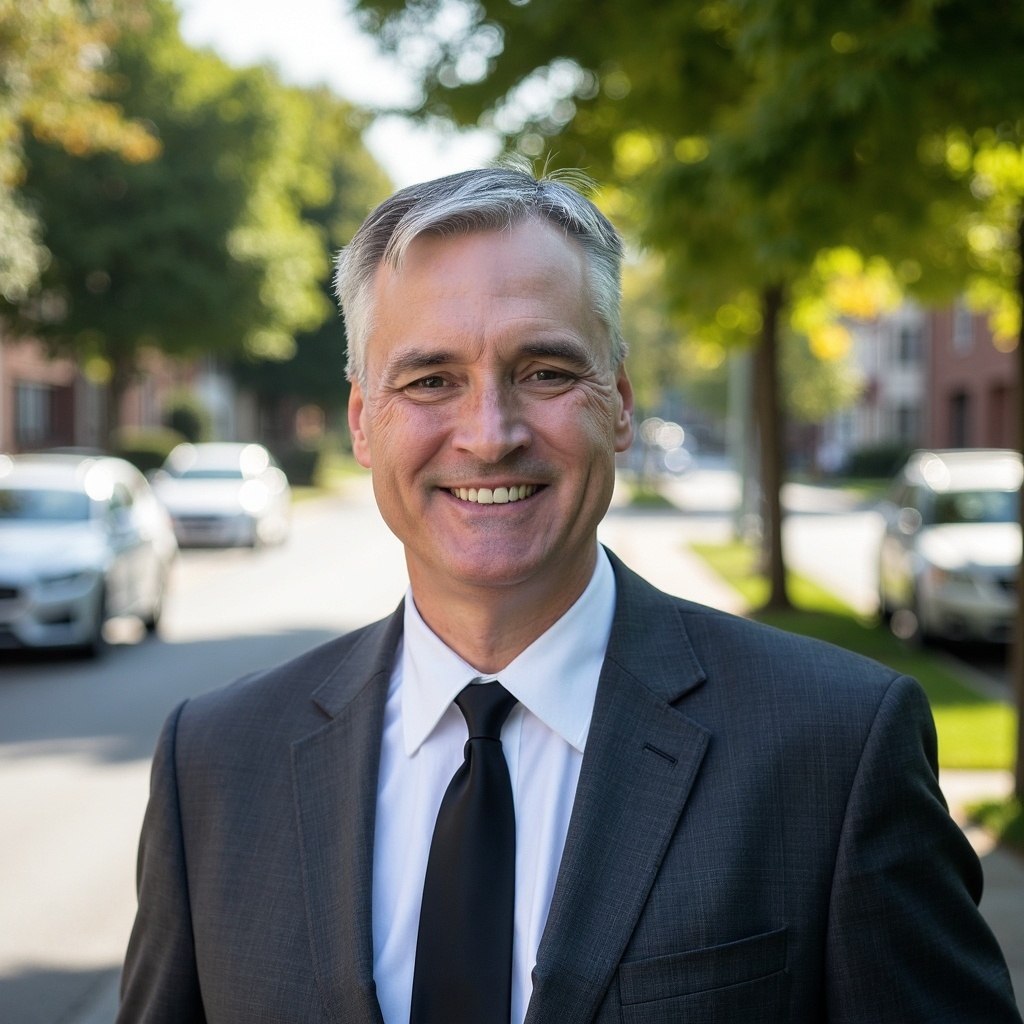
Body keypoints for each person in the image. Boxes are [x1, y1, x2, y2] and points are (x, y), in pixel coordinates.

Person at [117, 167, 1022, 1024]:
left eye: (545, 372)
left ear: (619, 402)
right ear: (362, 421)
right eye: (431, 380)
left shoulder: (836, 750)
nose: (490, 434)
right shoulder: (213, 766)